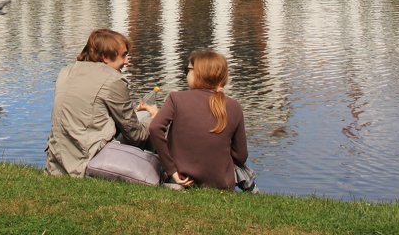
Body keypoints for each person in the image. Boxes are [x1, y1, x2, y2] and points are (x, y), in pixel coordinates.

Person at [45, 29, 158, 177]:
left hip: (56, 163)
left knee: (140, 118)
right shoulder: (113, 79)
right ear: (105, 57)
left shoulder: (65, 72)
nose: (127, 61)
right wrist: (155, 118)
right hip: (87, 162)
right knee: (148, 120)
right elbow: (136, 135)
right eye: (123, 55)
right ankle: (160, 175)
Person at [149, 49, 248, 190]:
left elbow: (155, 128)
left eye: (187, 70)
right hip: (220, 184)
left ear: (198, 73)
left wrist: (172, 170)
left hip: (181, 178)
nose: (186, 74)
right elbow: (241, 155)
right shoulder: (234, 106)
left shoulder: (176, 98)